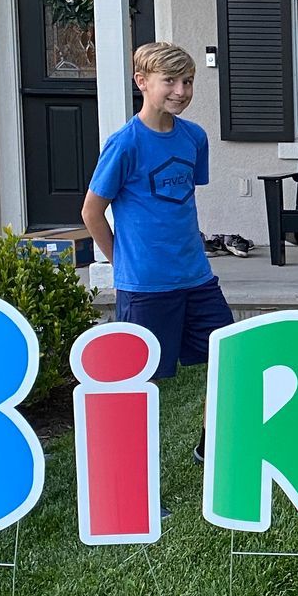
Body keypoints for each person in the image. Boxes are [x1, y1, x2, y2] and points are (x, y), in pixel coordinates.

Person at [82, 42, 232, 468]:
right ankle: (130, 475)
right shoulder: (125, 144)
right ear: (142, 82)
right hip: (146, 287)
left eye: (188, 81)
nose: (181, 91)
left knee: (228, 359)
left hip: (197, 279)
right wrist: (121, 262)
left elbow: (181, 203)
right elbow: (92, 212)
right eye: (170, 81)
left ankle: (211, 446)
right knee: (139, 381)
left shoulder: (194, 138)